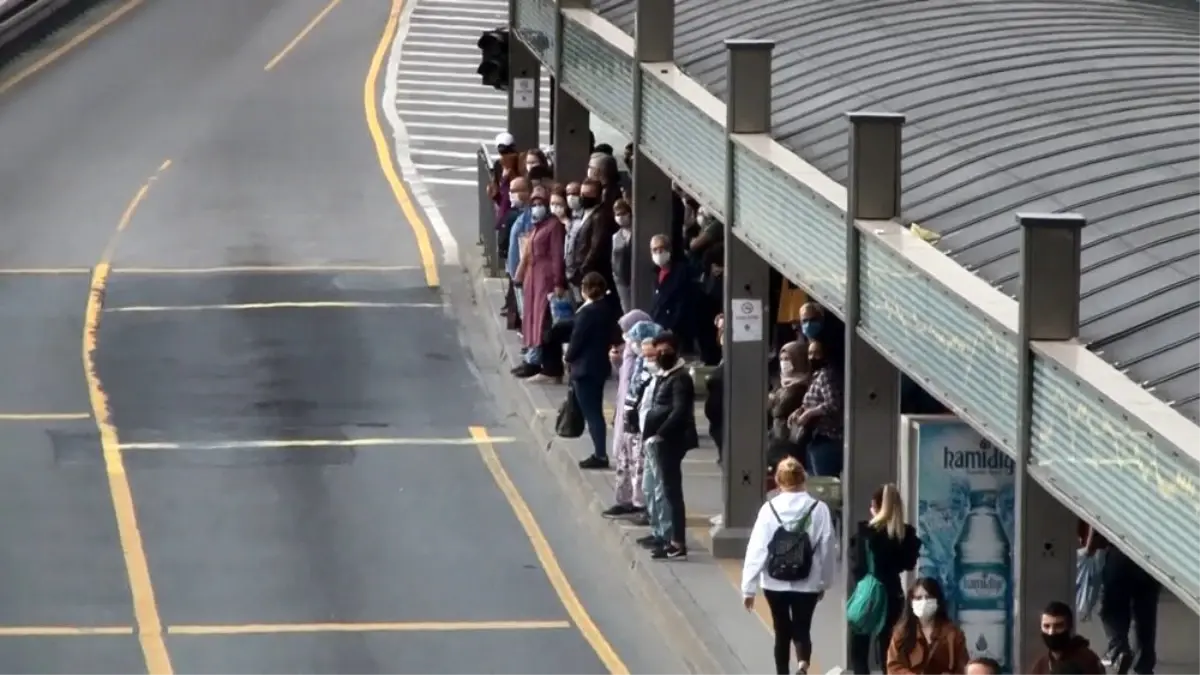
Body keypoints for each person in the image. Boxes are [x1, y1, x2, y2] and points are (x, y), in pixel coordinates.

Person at [741, 457, 836, 675]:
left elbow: (757, 548)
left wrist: (748, 588)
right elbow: (827, 548)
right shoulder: (819, 509)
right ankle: (803, 665)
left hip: (774, 582)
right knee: (803, 628)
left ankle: (782, 671)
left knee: (781, 631)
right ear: (804, 478)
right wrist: (824, 582)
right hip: (808, 579)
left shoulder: (769, 509)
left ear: (778, 481)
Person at [849, 484, 920, 675]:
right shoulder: (905, 534)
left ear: (874, 506)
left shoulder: (865, 534)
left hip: (868, 592)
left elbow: (857, 566)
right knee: (889, 646)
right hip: (893, 593)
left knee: (860, 646)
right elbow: (909, 564)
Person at [640, 331, 698, 560]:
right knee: (656, 488)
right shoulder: (666, 375)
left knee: (670, 492)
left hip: (670, 442)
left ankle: (676, 542)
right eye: (659, 351)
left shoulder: (680, 378)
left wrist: (661, 434)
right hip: (658, 441)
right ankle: (663, 536)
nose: (662, 355)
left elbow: (680, 411)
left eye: (666, 351)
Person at [1087, 520, 1159, 675]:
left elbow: (1096, 518)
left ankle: (1119, 650)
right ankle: (1144, 666)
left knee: (1111, 609)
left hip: (1119, 553)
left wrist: (1089, 547)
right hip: (1150, 558)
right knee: (1145, 615)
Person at [565, 272, 621, 470]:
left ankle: (600, 454)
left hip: (584, 369)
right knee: (595, 410)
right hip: (599, 367)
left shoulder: (586, 313)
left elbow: (576, 341)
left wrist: (568, 357)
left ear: (585, 289)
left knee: (593, 414)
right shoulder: (607, 309)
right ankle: (600, 452)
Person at [602, 309, 653, 518]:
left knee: (638, 464)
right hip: (624, 413)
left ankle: (640, 503)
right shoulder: (628, 353)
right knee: (624, 462)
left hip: (637, 419)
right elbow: (622, 381)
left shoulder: (647, 358)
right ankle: (624, 500)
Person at [513, 187, 566, 379]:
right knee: (533, 318)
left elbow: (557, 256)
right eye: (534, 204)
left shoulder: (554, 226)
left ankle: (546, 364)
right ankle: (534, 359)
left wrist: (558, 282)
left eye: (540, 204)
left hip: (545, 279)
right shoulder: (537, 226)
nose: (537, 208)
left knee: (545, 321)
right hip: (533, 278)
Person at [885, 577, 969, 675]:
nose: (924, 602)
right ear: (911, 602)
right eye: (918, 598)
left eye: (928, 597)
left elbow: (964, 668)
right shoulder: (901, 633)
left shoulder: (954, 634)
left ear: (937, 601)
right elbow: (893, 667)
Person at [787, 338, 844, 476]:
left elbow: (833, 403)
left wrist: (809, 414)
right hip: (814, 437)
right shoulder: (815, 375)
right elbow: (813, 400)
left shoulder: (827, 375)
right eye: (810, 353)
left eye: (817, 353)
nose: (813, 357)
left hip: (827, 437)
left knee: (822, 482)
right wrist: (800, 411)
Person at [767, 341, 811, 473]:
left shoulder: (801, 387)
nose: (784, 363)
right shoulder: (782, 382)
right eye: (781, 359)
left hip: (791, 441)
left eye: (788, 359)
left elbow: (778, 410)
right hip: (777, 437)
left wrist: (772, 401)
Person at [1029, 601, 1105, 675]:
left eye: (1058, 626)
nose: (1051, 632)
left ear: (1069, 627)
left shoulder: (1087, 660)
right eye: (1046, 626)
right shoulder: (1040, 666)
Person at [648, 234, 693, 349]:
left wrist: (672, 327)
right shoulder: (656, 273)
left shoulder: (681, 272)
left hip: (677, 331)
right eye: (654, 249)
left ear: (669, 250)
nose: (658, 252)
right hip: (659, 329)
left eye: (661, 248)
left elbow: (683, 302)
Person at [611, 198, 634, 314]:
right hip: (621, 280)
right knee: (626, 310)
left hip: (635, 278)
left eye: (623, 213)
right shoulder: (616, 236)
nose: (620, 217)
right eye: (617, 214)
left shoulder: (637, 233)